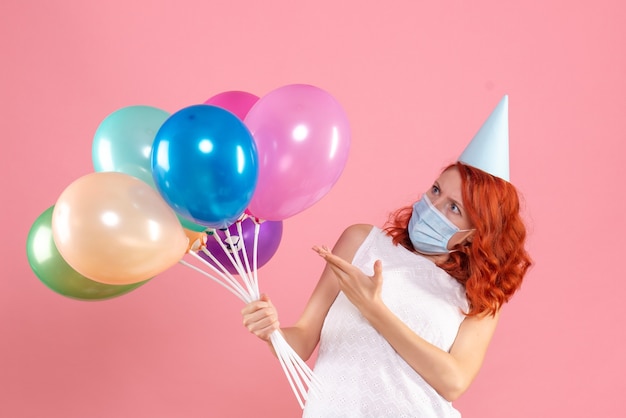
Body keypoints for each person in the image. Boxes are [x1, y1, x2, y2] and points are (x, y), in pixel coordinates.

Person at [241, 95, 532, 417]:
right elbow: (304, 340)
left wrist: (374, 309)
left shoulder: (480, 293)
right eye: (436, 190)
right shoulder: (361, 242)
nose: (433, 208)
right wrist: (271, 333)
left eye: (454, 208)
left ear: (477, 232)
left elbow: (454, 382)